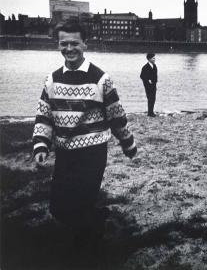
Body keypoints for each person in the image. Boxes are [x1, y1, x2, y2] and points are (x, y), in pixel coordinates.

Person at [32, 21, 137, 253]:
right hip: (64, 152)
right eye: (64, 43)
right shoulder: (51, 80)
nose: (69, 48)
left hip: (93, 152)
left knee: (82, 202)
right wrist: (41, 145)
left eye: (74, 43)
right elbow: (44, 116)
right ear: (58, 44)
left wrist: (128, 144)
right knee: (58, 207)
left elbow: (116, 116)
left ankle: (87, 247)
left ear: (85, 44)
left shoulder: (101, 79)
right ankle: (97, 222)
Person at [140, 53, 158, 117]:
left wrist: (155, 82)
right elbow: (142, 76)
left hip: (154, 85)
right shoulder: (145, 67)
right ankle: (149, 113)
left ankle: (151, 111)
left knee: (153, 98)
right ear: (149, 59)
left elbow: (155, 76)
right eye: (153, 58)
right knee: (150, 98)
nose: (154, 59)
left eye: (154, 58)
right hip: (148, 86)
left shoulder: (155, 66)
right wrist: (147, 80)